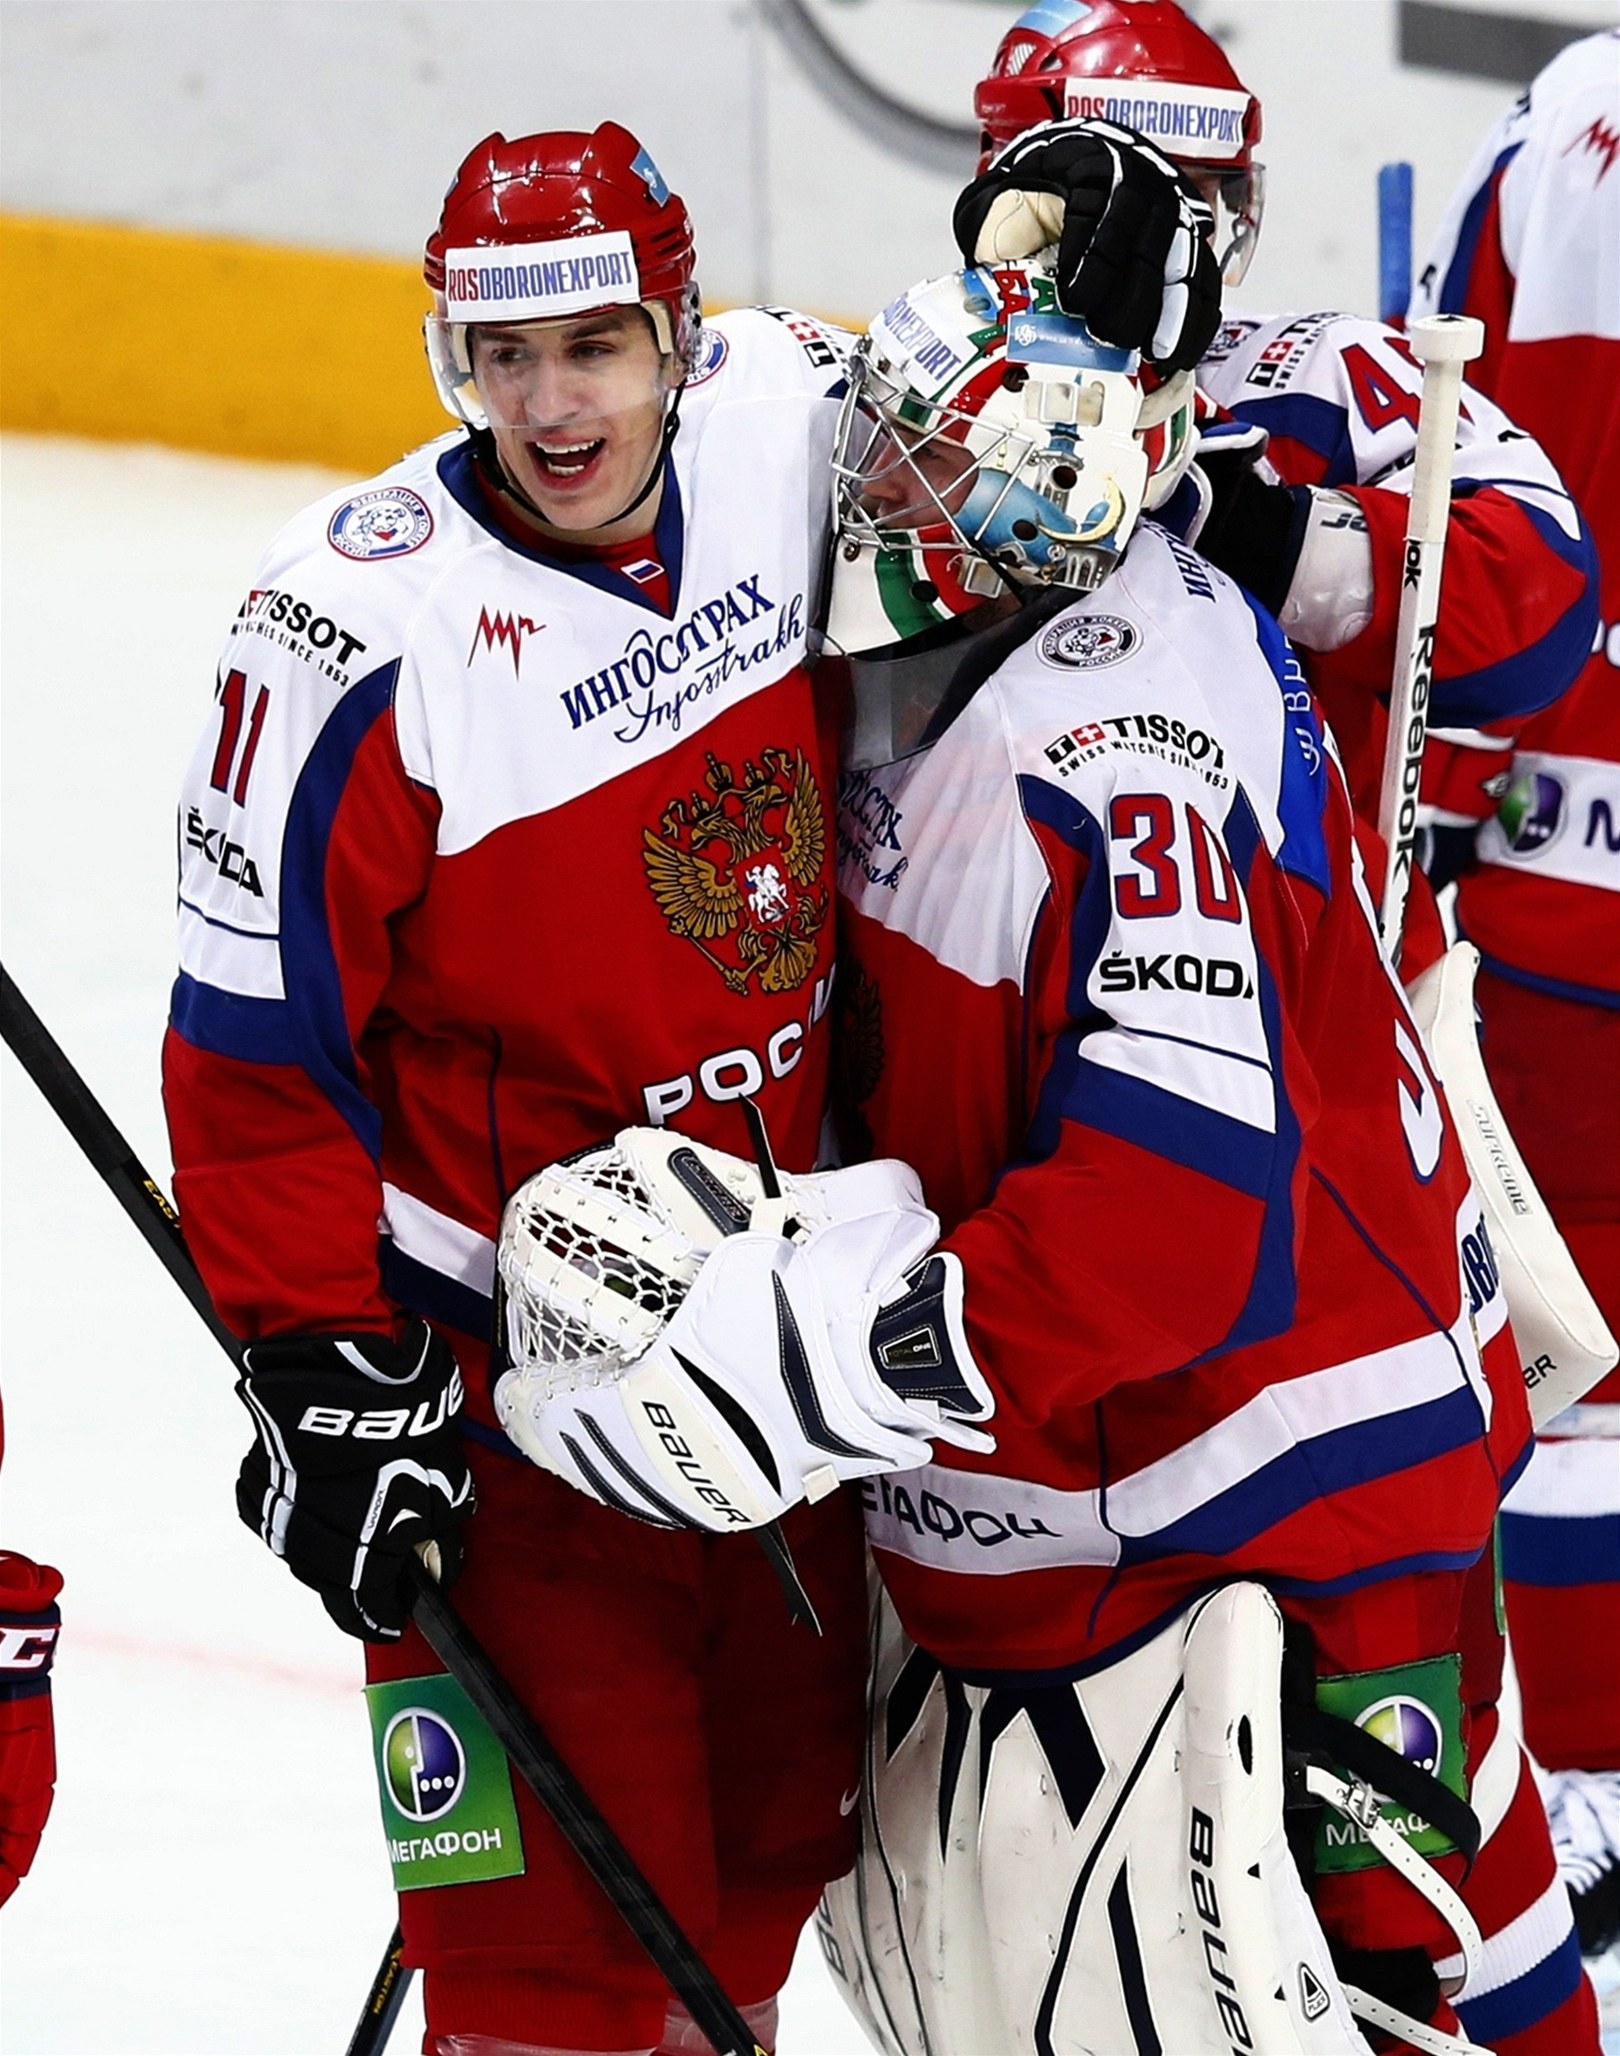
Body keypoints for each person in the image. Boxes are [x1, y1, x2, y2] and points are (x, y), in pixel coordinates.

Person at [159, 118, 1217, 2056]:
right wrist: (316, 1359)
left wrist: (1117, 293)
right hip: (511, 1400)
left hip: (777, 1363)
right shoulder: (347, 634)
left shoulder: (787, 419)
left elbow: (1016, 425)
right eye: (502, 356)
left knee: (745, 1895)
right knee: (551, 1979)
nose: (550, 404)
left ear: (679, 332)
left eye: (594, 346)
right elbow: (251, 1050)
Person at [814, 259, 1568, 2055]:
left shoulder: (1111, 761)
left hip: (1305, 1475)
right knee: (1459, 1904)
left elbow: (1169, 1221)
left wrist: (868, 1353)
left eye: (934, 463)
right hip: (1279, 1411)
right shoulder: (1059, 617)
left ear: (1044, 501)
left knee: (1388, 1977)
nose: (879, 491)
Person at [964, 0, 1598, 946]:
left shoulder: (1310, 379)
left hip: (1293, 960)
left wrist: (1263, 533)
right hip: (981, 926)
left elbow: (1545, 605)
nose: (1172, 244)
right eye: (1137, 197)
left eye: (1204, 202)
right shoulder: (913, 387)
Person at [1411, 24, 1620, 1975]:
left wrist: (1446, 795)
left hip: (1568, 852)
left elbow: (1461, 471)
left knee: (1581, 1348)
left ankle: (1584, 1782)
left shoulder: (1564, 118)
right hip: (1568, 877)